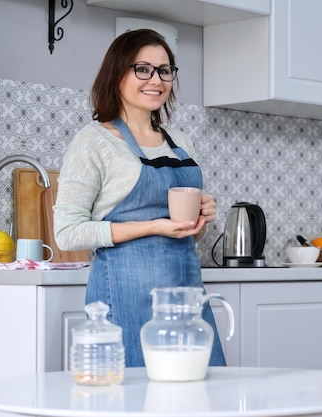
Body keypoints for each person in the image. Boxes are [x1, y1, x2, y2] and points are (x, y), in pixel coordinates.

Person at [53, 29, 225, 367]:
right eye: (142, 69)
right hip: (124, 297)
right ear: (118, 74)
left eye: (165, 70)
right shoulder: (95, 141)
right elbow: (68, 232)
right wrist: (152, 226)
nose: (156, 80)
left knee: (202, 397)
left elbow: (189, 232)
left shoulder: (178, 140)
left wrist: (200, 218)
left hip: (185, 299)